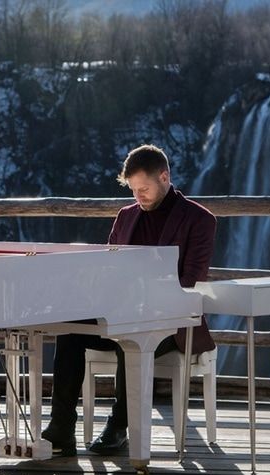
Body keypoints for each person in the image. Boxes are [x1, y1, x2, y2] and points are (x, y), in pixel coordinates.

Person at [41, 144, 217, 456]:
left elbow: (191, 280)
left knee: (132, 331)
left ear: (164, 177)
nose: (139, 197)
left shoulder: (199, 219)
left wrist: (139, 299)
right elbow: (109, 268)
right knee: (70, 328)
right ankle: (61, 428)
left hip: (173, 320)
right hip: (118, 311)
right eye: (133, 190)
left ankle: (118, 426)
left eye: (144, 189)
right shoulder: (126, 217)